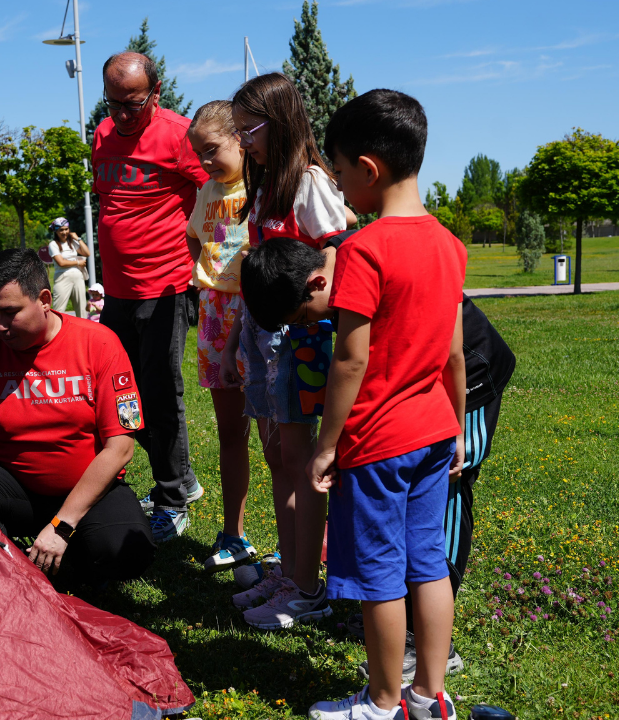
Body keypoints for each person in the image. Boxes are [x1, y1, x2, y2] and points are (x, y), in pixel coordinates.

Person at [243, 235, 516, 685]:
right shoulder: (331, 261)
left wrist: (454, 414)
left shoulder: (366, 261)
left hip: (466, 376)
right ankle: (404, 621)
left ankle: (428, 641)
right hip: (418, 382)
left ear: (314, 284)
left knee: (445, 496)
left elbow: (441, 348)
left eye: (304, 317)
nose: (314, 325)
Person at [292, 89, 465, 720]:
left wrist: (327, 443)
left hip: (379, 442)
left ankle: (384, 701)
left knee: (379, 576)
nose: (338, 188)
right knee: (429, 564)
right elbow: (452, 354)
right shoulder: (449, 244)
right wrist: (458, 430)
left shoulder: (365, 251)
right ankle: (429, 696)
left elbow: (350, 360)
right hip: (435, 433)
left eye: (338, 173)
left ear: (369, 168)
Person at [0, 249, 155, 587]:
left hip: (88, 492)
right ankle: (9, 574)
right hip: (15, 488)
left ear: (45, 299)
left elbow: (120, 448)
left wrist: (62, 525)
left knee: (127, 551)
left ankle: (47, 569)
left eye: (10, 312)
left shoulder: (98, 343)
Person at [220, 72, 355, 630]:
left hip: (306, 342)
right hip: (267, 339)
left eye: (248, 129)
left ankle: (305, 585)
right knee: (281, 461)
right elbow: (258, 273)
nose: (243, 141)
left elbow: (342, 246)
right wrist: (234, 342)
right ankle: (292, 568)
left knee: (302, 464)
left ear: (277, 124)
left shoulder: (308, 184)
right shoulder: (266, 187)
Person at [91, 51, 209, 543]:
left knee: (160, 392)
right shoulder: (101, 134)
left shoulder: (181, 134)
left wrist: (204, 268)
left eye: (133, 105)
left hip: (167, 284)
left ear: (156, 94)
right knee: (120, 393)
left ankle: (172, 499)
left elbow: (224, 194)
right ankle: (179, 478)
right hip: (118, 289)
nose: (121, 115)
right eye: (113, 103)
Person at [180, 100, 261, 577]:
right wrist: (206, 271)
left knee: (280, 437)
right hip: (215, 314)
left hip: (255, 311)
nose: (206, 162)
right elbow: (196, 234)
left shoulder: (259, 186)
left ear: (240, 139)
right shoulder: (208, 190)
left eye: (212, 150)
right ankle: (234, 533)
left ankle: (304, 542)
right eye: (199, 154)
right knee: (232, 433)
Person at [47, 217, 91, 318]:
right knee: (58, 310)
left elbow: (87, 253)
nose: (64, 232)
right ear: (56, 231)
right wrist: (78, 263)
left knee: (82, 309)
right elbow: (61, 262)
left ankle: (82, 332)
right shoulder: (53, 244)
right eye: (61, 230)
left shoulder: (72, 242)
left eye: (66, 229)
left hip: (78, 277)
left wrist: (78, 238)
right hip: (62, 278)